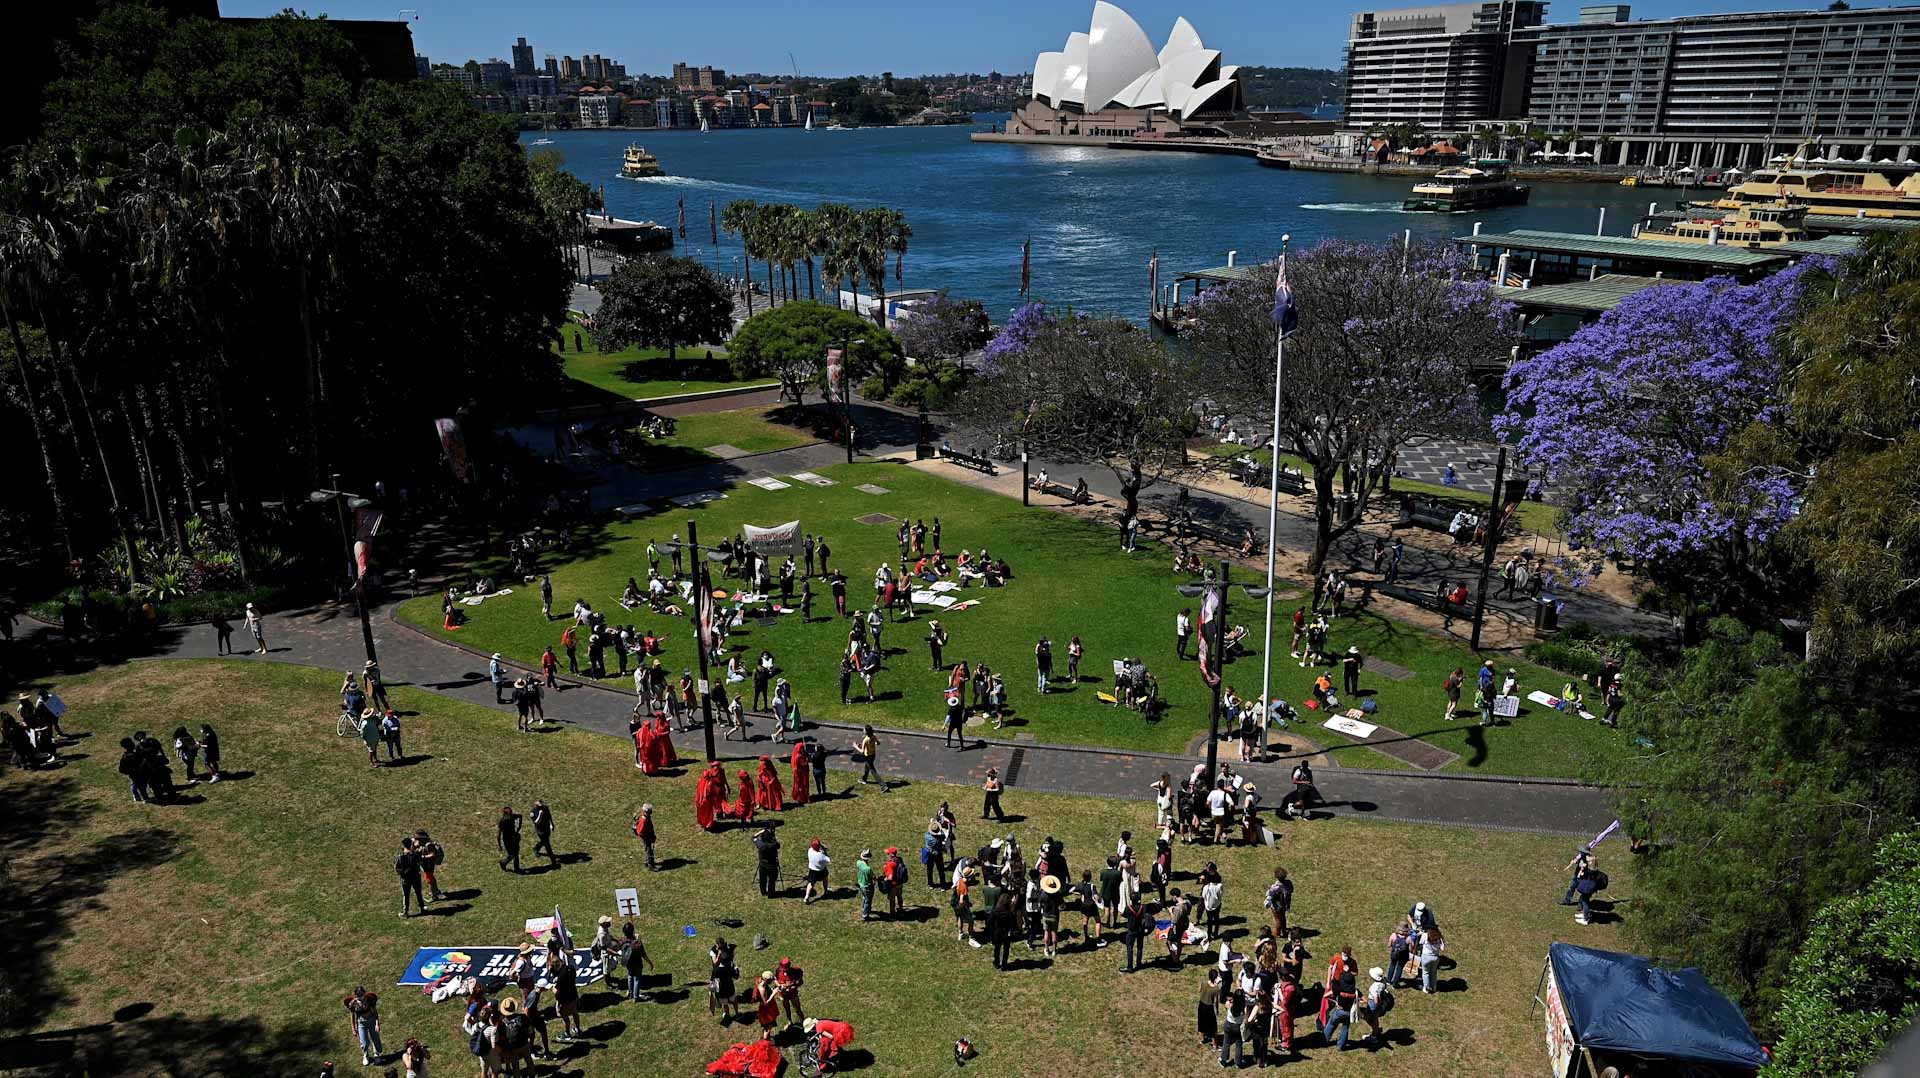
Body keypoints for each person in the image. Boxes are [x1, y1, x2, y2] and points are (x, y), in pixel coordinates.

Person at [395, 837, 426, 918]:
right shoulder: (415, 854)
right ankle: (422, 908)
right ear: (411, 845)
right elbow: (420, 862)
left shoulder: (400, 856)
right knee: (418, 893)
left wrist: (402, 874)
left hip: (405, 879)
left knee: (406, 895)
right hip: (416, 877)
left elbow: (397, 868)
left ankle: (405, 912)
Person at [856, 726, 884, 790]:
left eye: (864, 729)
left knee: (873, 771)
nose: (863, 730)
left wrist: (856, 747)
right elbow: (878, 743)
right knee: (867, 767)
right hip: (873, 754)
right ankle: (864, 780)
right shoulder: (873, 736)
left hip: (867, 756)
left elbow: (862, 751)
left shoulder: (865, 740)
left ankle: (883, 785)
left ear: (866, 732)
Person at [529, 800, 557, 865]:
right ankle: (553, 861)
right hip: (540, 831)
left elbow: (549, 816)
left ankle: (536, 848)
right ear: (536, 806)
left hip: (547, 829)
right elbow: (536, 822)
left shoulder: (545, 808)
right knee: (547, 845)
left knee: (544, 841)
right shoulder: (533, 812)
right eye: (540, 806)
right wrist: (540, 815)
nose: (542, 807)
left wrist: (551, 824)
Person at [497, 805, 523, 874]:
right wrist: (499, 845)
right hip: (507, 840)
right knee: (512, 854)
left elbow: (520, 816)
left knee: (516, 853)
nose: (511, 814)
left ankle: (516, 868)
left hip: (514, 837)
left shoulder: (512, 817)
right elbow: (499, 834)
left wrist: (519, 826)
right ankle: (503, 862)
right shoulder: (502, 821)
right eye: (510, 813)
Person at [804, 839, 831, 905]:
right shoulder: (820, 855)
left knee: (811, 883)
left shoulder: (810, 850)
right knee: (825, 878)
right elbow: (828, 860)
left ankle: (806, 896)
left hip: (812, 870)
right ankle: (826, 891)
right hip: (821, 870)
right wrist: (824, 851)